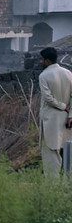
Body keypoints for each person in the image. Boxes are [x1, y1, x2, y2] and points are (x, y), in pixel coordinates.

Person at [38, 47, 72, 178]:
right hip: (67, 121)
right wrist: (70, 115)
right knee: (68, 152)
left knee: (51, 153)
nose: (40, 62)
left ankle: (51, 187)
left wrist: (63, 106)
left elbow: (48, 98)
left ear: (47, 61)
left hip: (51, 120)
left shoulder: (44, 75)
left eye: (41, 59)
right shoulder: (68, 73)